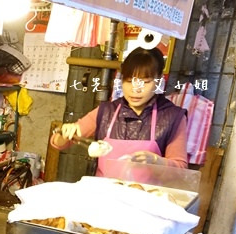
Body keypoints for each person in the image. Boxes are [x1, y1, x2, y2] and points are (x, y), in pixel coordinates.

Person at [51, 47, 188, 178]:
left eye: (145, 82)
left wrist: (158, 162)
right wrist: (64, 133)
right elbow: (60, 143)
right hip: (106, 194)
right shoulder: (106, 111)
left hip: (147, 197)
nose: (135, 89)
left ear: (159, 80)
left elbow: (181, 170)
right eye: (129, 81)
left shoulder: (172, 116)